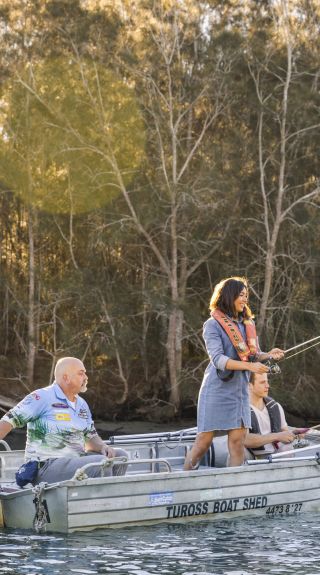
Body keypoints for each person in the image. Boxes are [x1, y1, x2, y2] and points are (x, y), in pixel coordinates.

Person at [184, 276, 284, 470]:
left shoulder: (246, 324)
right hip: (216, 391)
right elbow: (218, 360)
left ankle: (233, 485)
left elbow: (253, 356)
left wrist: (268, 355)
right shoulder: (212, 325)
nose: (245, 299)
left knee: (238, 443)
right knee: (203, 442)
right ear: (229, 296)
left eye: (246, 295)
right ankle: (184, 479)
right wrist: (249, 367)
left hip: (239, 392)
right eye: (241, 295)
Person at [0, 357, 128, 485]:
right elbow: (9, 419)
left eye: (85, 373)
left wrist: (102, 446)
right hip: (45, 467)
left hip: (75, 461)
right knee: (101, 463)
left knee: (120, 456)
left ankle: (107, 501)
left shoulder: (81, 404)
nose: (86, 377)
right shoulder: (41, 397)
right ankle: (100, 503)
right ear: (66, 377)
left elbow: (89, 437)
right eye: (81, 373)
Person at [244, 372, 295, 457]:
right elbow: (245, 439)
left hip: (275, 455)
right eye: (262, 382)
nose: (267, 386)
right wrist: (276, 436)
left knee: (288, 448)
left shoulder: (276, 406)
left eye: (267, 382)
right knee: (241, 451)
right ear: (250, 385)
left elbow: (284, 431)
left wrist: (293, 435)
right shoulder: (241, 410)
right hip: (251, 456)